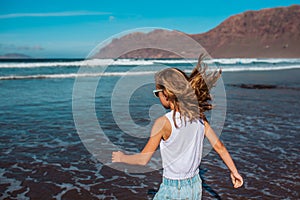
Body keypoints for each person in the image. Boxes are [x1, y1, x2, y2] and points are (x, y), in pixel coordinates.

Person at [112, 56, 243, 199]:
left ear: (166, 94)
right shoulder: (199, 117)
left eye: (157, 93)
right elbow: (220, 147)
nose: (158, 97)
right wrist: (234, 172)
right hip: (195, 186)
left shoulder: (163, 123)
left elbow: (142, 160)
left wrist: (121, 157)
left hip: (173, 188)